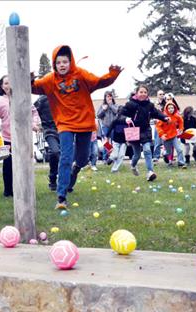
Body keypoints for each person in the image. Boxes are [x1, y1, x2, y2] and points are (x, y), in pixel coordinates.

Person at [31, 45, 122, 209]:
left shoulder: (80, 74)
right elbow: (35, 87)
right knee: (65, 157)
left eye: (65, 61)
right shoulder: (51, 80)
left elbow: (98, 82)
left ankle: (75, 169)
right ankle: (61, 197)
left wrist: (112, 75)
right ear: (54, 64)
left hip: (85, 122)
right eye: (58, 63)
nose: (62, 65)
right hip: (64, 123)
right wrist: (29, 80)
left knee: (82, 158)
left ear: (70, 61)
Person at [0, 75, 41, 197]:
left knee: (24, 164)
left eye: (11, 82)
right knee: (8, 164)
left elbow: (33, 113)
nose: (8, 85)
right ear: (2, 86)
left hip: (23, 137)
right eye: (5, 83)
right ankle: (8, 191)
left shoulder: (23, 99)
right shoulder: (0, 102)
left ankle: (26, 189)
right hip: (8, 139)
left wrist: (34, 124)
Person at [121, 85, 169, 181]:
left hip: (146, 130)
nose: (143, 94)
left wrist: (164, 118)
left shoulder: (149, 105)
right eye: (141, 92)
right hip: (134, 131)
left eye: (145, 92)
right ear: (136, 93)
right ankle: (133, 165)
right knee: (137, 155)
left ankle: (150, 172)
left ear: (147, 94)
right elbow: (121, 114)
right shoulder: (130, 104)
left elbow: (156, 113)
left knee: (147, 150)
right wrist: (125, 119)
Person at [34, 95, 59, 191]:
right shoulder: (41, 100)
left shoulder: (60, 95)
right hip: (49, 130)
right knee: (55, 152)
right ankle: (53, 178)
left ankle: (66, 181)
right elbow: (33, 112)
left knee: (63, 154)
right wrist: (36, 124)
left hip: (63, 129)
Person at [155, 98, 186, 168]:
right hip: (166, 138)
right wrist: (161, 134)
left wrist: (181, 129)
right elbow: (158, 126)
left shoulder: (176, 116)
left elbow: (181, 121)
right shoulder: (163, 117)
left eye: (172, 108)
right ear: (166, 109)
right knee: (168, 152)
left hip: (174, 136)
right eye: (169, 108)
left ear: (174, 108)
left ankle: (181, 162)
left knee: (179, 150)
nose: (171, 109)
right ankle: (165, 156)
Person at [96, 90, 118, 163]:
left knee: (114, 142)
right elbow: (98, 115)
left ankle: (113, 157)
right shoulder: (102, 106)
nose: (109, 98)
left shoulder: (114, 105)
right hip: (105, 126)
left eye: (110, 96)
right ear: (105, 98)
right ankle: (105, 158)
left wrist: (110, 105)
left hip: (114, 126)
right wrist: (103, 109)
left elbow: (117, 112)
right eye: (107, 96)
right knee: (106, 142)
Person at [106, 106, 127, 173]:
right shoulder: (115, 120)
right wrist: (107, 137)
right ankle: (110, 158)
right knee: (116, 155)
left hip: (124, 142)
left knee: (121, 155)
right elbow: (110, 129)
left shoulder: (127, 121)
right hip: (116, 141)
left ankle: (114, 169)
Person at [152, 89, 165, 162]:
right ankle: (156, 156)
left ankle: (167, 155)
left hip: (165, 124)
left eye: (163, 94)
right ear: (157, 95)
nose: (161, 96)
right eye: (160, 94)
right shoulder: (154, 104)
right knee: (157, 141)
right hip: (157, 124)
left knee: (166, 140)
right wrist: (153, 119)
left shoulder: (166, 103)